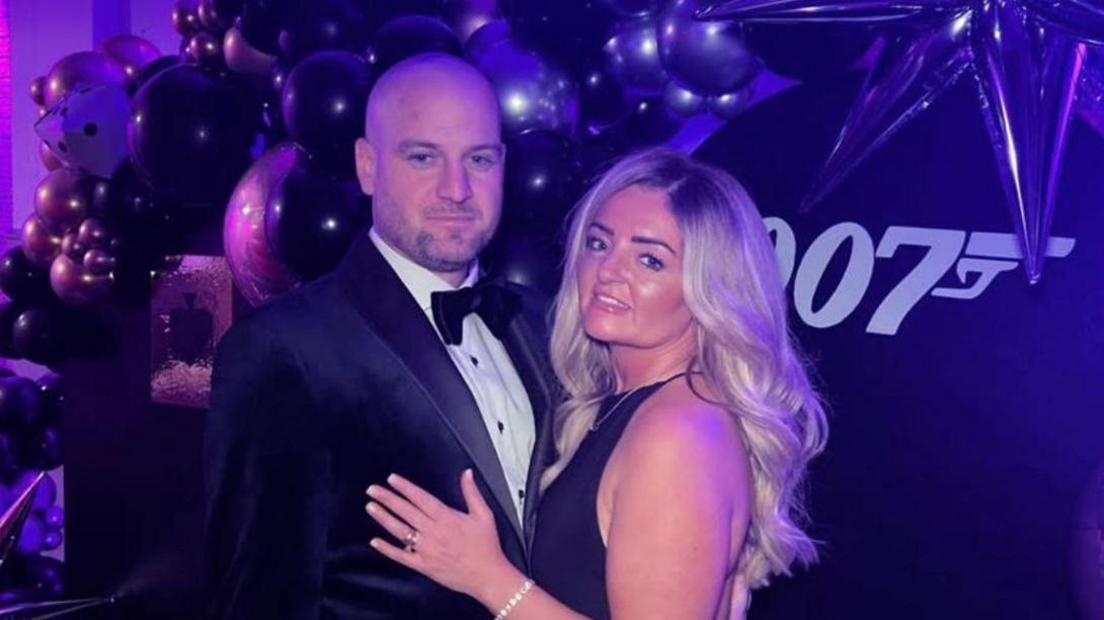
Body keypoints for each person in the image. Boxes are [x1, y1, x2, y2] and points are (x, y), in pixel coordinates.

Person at [363, 148, 828, 619]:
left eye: (650, 260)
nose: (608, 272)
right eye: (600, 244)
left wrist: (488, 577)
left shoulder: (678, 434)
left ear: (708, 288)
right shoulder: (630, 404)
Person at [204, 53, 558, 619]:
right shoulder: (283, 349)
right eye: (423, 157)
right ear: (368, 166)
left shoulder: (539, 324)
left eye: (480, 159)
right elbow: (257, 600)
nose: (457, 189)